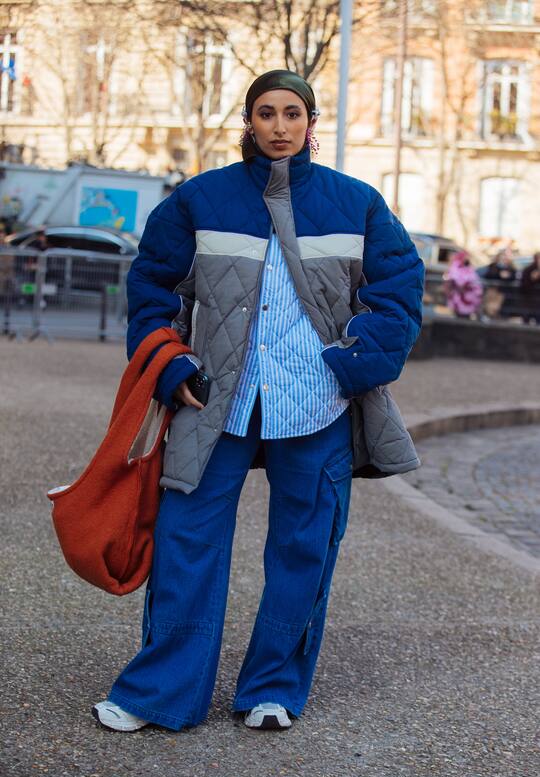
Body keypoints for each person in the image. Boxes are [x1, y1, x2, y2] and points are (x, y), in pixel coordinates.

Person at [92, 69, 424, 733]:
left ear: (310, 122)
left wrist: (357, 359)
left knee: (304, 549)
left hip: (318, 400)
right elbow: (153, 286)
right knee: (186, 542)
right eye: (266, 113)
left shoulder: (356, 203)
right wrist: (169, 363)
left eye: (291, 113)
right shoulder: (199, 199)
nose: (279, 126)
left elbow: (399, 289)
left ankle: (271, 688)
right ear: (250, 120)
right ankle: (158, 693)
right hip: (214, 396)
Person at [443, 250, 482, 318]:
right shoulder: (455, 266)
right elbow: (454, 277)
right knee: (458, 313)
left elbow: (474, 279)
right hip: (458, 294)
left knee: (465, 314)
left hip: (467, 295)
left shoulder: (469, 268)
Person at [520, 252, 540, 324]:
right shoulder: (528, 270)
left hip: (536, 301)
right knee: (527, 319)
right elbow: (524, 285)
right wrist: (532, 279)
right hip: (529, 299)